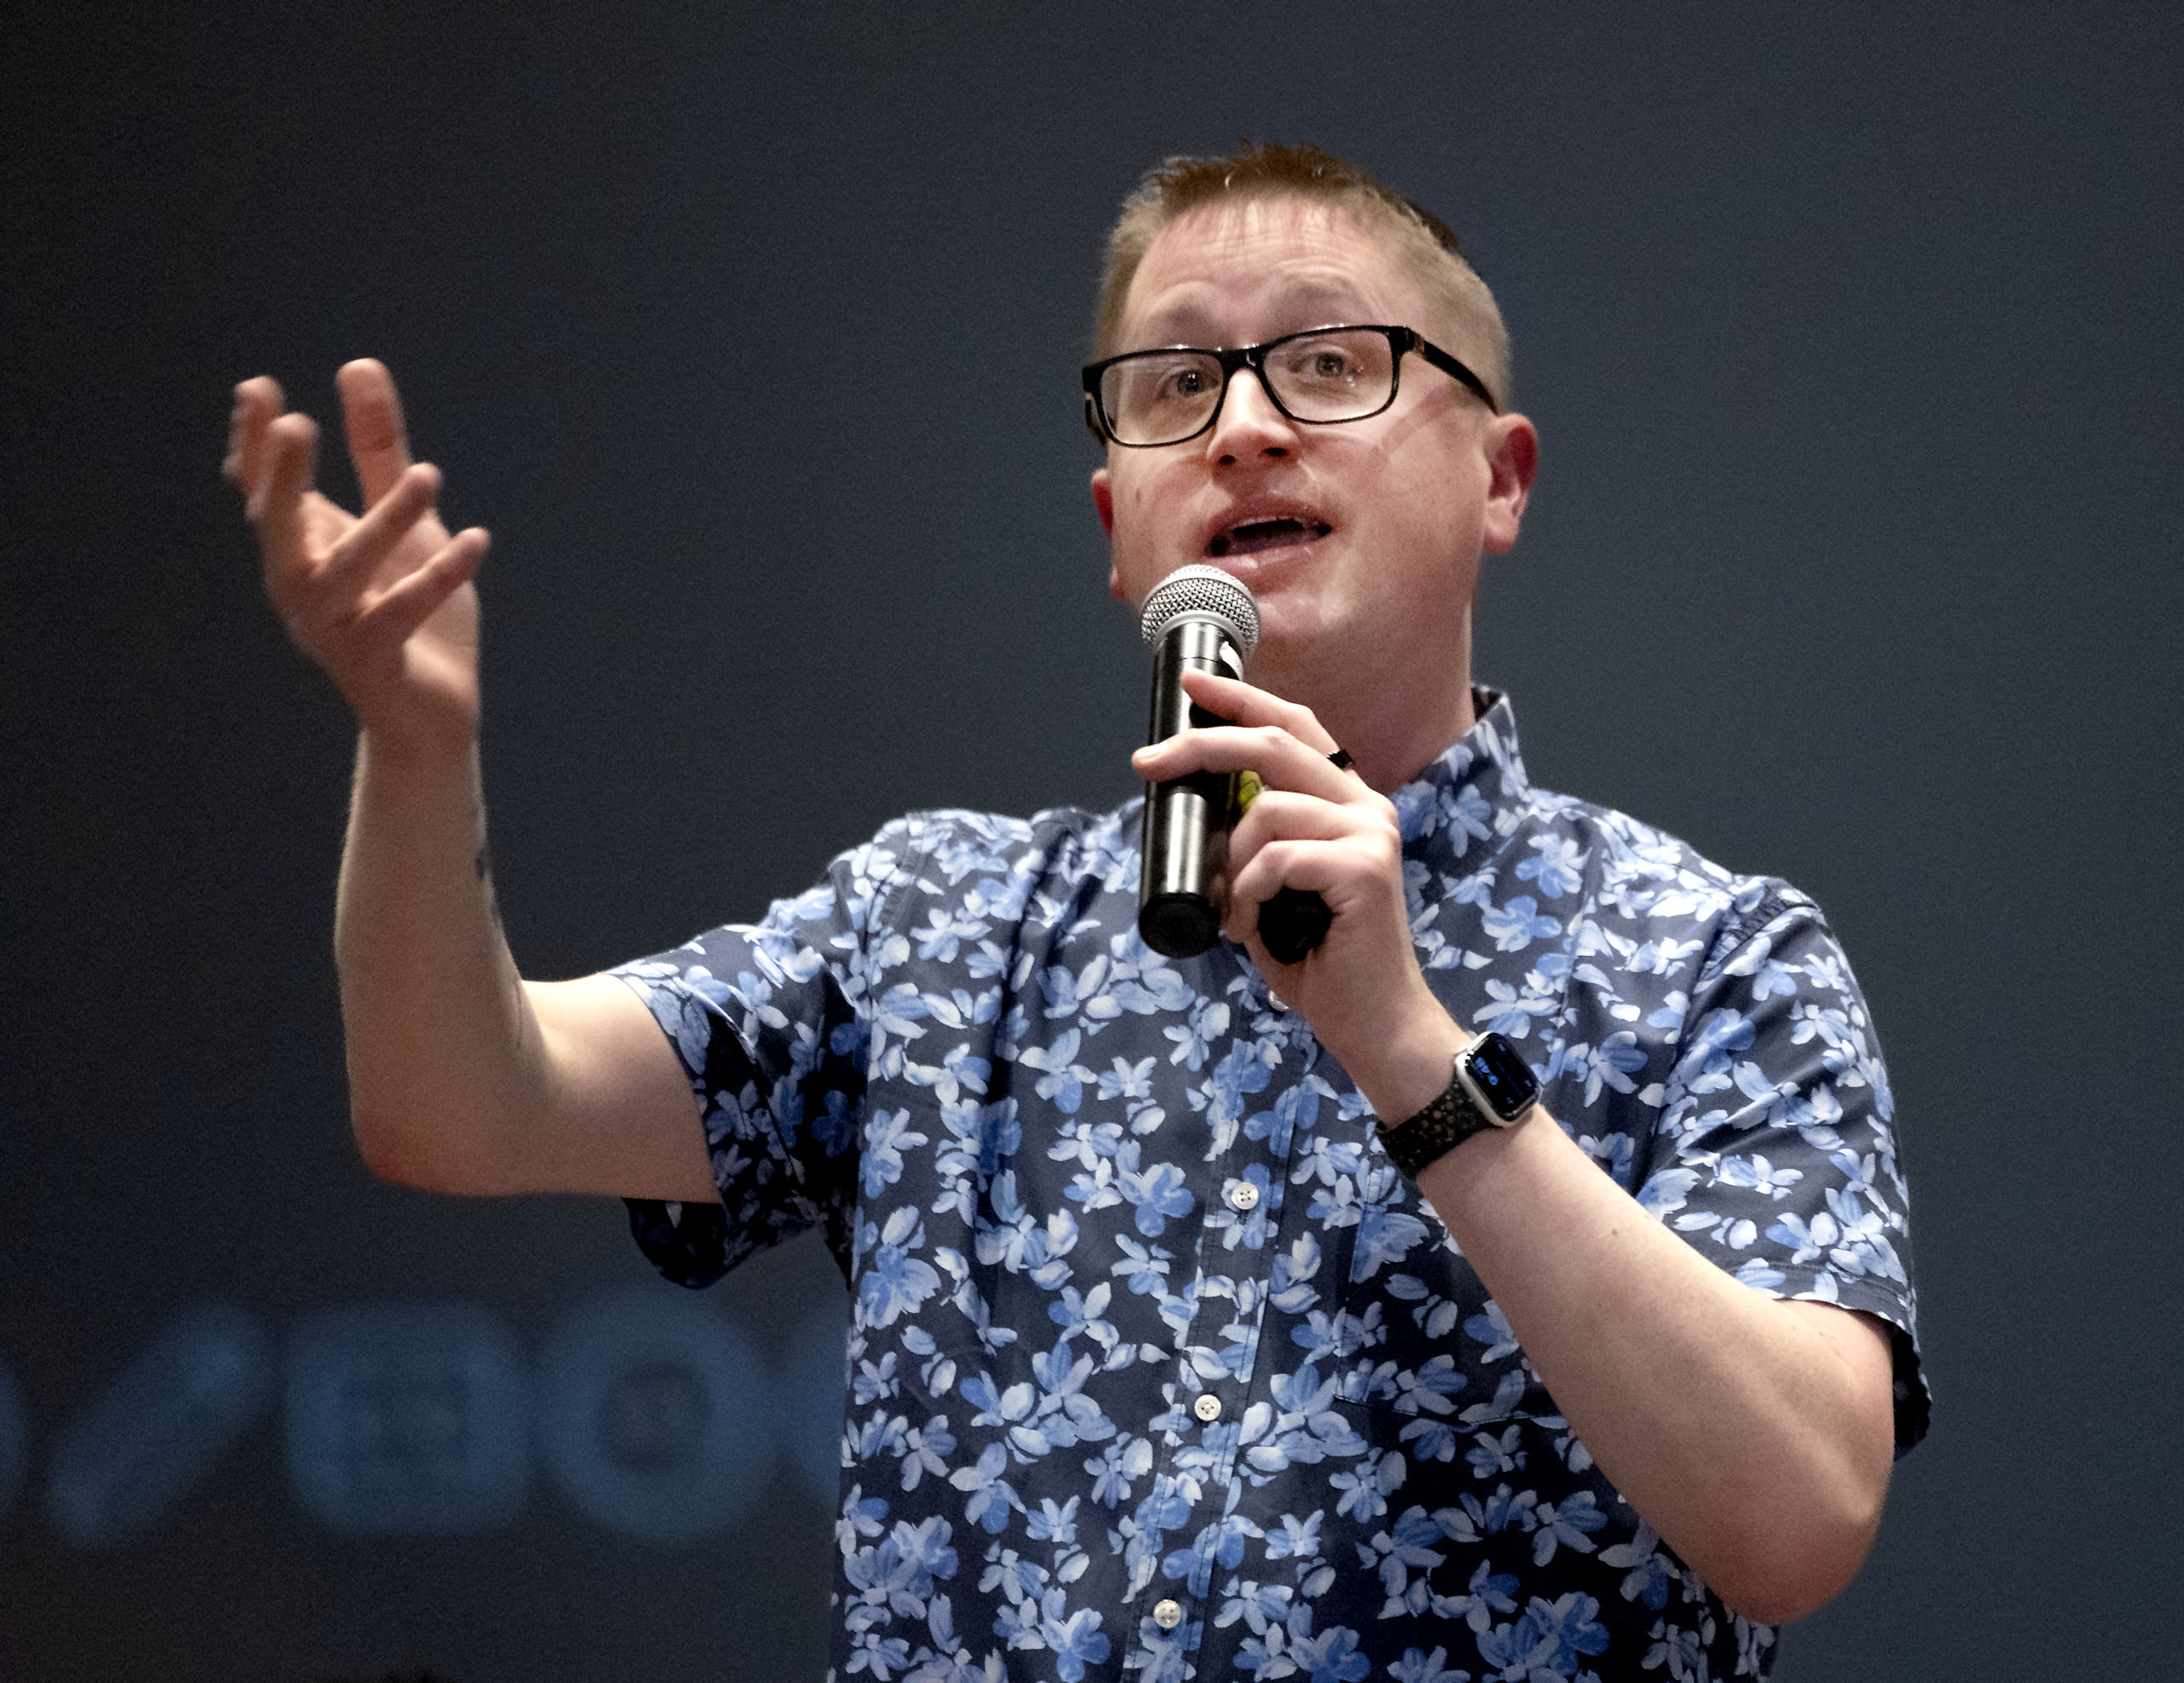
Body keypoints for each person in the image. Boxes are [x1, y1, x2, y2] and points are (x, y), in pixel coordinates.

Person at [226, 142, 1925, 1682]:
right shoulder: (939, 930)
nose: (1246, 423)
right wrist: (415, 745)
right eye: (1175, 383)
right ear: (1122, 526)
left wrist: (1411, 1052)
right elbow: (460, 1101)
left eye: (1330, 363)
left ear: (1501, 475)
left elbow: (1799, 1515)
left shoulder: (1710, 956)